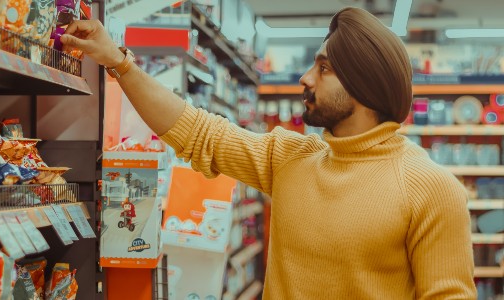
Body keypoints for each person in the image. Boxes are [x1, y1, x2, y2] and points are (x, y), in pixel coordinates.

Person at [61, 7, 476, 300]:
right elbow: (196, 130)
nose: (305, 77)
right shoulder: (291, 156)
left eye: (324, 68)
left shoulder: (432, 190)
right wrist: (117, 61)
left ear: (364, 86)